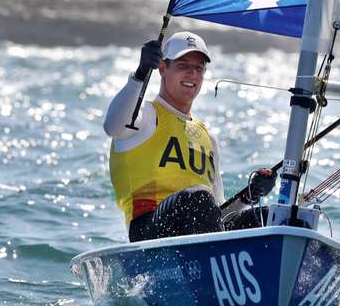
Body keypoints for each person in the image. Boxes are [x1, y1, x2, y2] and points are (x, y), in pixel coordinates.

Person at [103, 31, 276, 242]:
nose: (192, 74)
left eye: (198, 68)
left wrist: (249, 196)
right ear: (162, 68)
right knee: (198, 197)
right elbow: (112, 126)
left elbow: (218, 214)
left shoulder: (208, 138)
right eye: (183, 65)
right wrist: (140, 74)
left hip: (200, 237)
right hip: (148, 232)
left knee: (273, 217)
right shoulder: (145, 116)